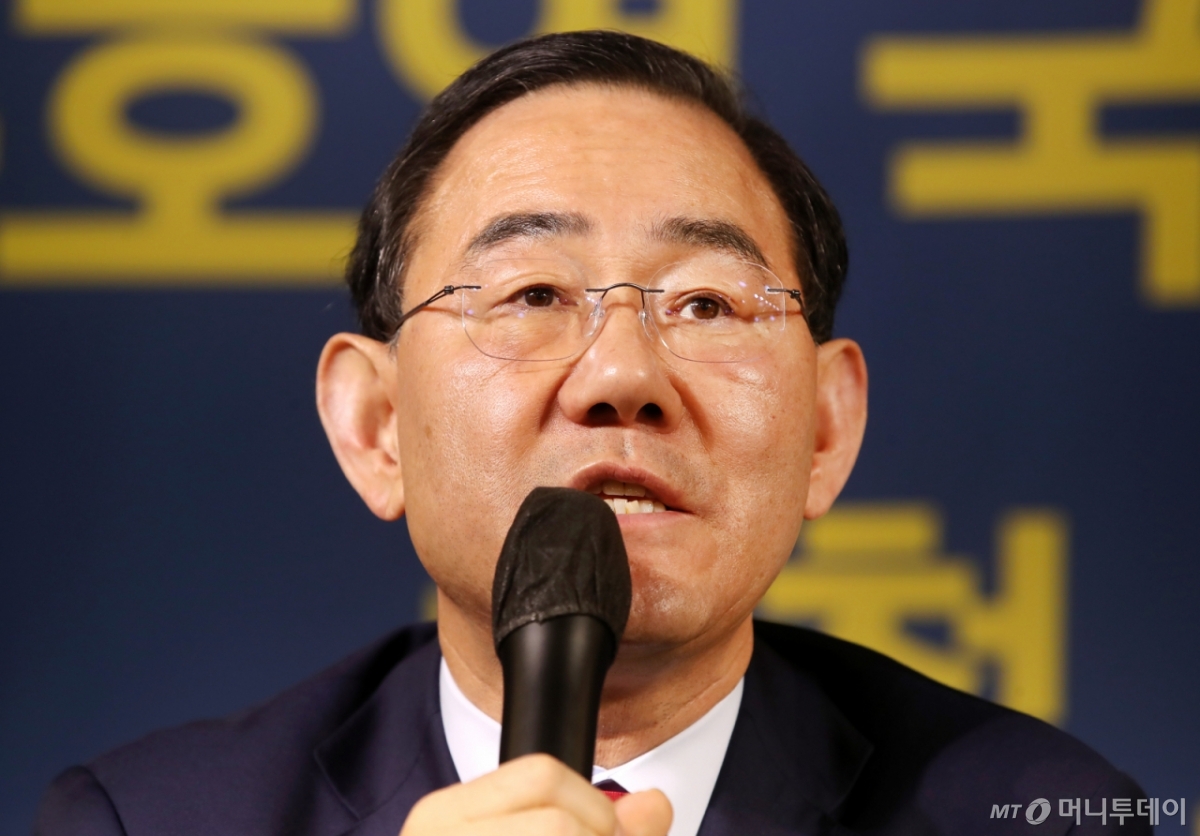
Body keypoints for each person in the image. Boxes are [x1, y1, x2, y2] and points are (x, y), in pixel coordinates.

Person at [36, 30, 1147, 836]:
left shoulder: (1038, 812)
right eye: (532, 294)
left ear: (825, 429)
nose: (623, 376)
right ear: (376, 425)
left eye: (706, 303)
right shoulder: (152, 818)